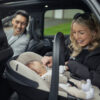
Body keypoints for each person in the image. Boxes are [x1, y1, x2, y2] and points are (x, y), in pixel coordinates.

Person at [41, 12, 100, 89]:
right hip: (66, 80)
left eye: (81, 33)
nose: (77, 37)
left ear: (94, 32)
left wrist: (72, 65)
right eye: (74, 32)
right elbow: (62, 53)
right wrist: (51, 57)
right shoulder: (72, 42)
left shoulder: (97, 53)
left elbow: (97, 79)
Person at [25, 60, 94, 99]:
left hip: (67, 80)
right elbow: (52, 80)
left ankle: (84, 87)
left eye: (42, 64)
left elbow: (58, 69)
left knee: (75, 81)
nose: (43, 65)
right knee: (74, 91)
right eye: (41, 66)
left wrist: (64, 68)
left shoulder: (48, 70)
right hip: (64, 87)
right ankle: (86, 95)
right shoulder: (43, 78)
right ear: (38, 72)